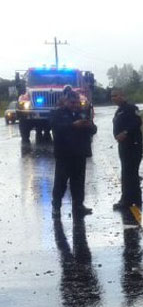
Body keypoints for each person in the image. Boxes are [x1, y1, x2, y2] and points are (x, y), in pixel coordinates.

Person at [51, 87, 96, 217]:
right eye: (71, 102)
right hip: (64, 154)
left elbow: (93, 130)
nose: (74, 105)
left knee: (78, 182)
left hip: (80, 153)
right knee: (60, 182)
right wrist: (73, 125)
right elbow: (56, 128)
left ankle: (78, 206)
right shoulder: (58, 114)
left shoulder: (82, 113)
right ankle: (56, 207)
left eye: (76, 102)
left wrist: (89, 125)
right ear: (65, 102)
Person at [111, 89, 143, 210]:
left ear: (123, 96)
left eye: (115, 96)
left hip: (133, 145)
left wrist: (125, 132)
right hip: (124, 145)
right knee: (127, 173)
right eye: (112, 96)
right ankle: (132, 199)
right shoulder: (119, 110)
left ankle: (128, 200)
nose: (113, 98)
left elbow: (137, 122)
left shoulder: (131, 108)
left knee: (130, 173)